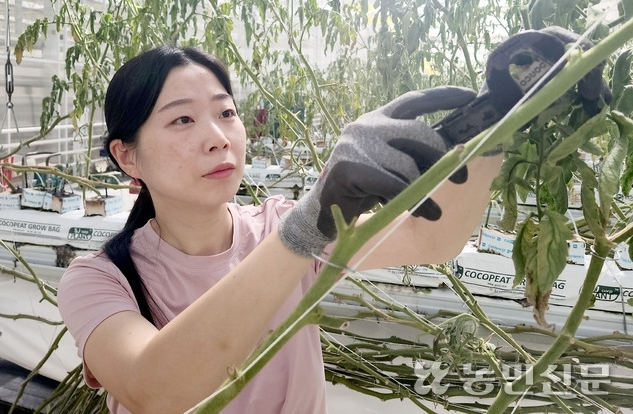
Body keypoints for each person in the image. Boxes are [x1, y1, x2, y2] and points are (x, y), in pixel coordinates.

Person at [57, 32, 606, 414]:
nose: (218, 136)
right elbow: (158, 391)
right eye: (181, 119)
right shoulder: (97, 279)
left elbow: (435, 238)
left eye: (226, 112)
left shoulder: (275, 227)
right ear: (127, 157)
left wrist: (500, 122)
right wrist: (307, 227)